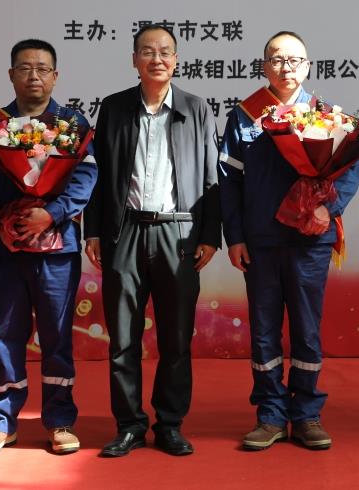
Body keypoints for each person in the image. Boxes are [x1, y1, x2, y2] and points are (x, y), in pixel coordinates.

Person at [84, 24, 222, 457]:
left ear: (176, 60)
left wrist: (209, 235)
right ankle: (128, 425)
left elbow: (212, 177)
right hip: (124, 232)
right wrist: (93, 229)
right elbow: (98, 175)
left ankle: (170, 424)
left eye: (165, 51)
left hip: (177, 233)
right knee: (123, 337)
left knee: (176, 338)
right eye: (147, 51)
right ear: (134, 60)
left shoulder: (196, 109)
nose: (156, 59)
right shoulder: (114, 108)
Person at [219, 30, 359, 451]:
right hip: (260, 241)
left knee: (307, 329)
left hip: (309, 241)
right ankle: (270, 416)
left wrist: (329, 210)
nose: (287, 67)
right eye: (278, 59)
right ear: (265, 66)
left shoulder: (326, 116)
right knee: (264, 331)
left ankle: (307, 413)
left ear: (308, 66)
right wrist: (235, 237)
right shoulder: (244, 116)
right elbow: (228, 181)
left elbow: (350, 169)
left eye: (295, 60)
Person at [0, 39, 97, 456]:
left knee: (57, 336)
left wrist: (51, 214)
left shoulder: (73, 125)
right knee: (7, 334)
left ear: (55, 76)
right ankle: (0, 422)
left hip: (57, 251)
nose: (33, 76)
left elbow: (86, 180)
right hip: (7, 250)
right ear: (11, 75)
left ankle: (59, 421)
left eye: (42, 68)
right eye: (25, 68)